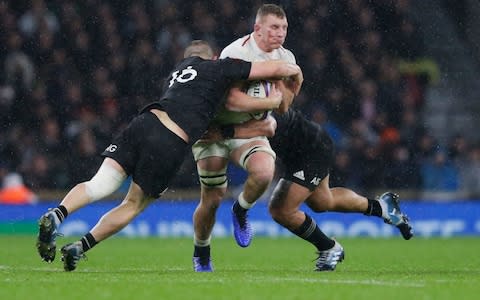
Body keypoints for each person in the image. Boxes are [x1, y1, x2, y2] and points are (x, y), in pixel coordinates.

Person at [35, 40, 303, 271]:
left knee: (99, 183)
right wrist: (290, 77)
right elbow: (276, 69)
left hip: (143, 122)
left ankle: (58, 214)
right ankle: (79, 247)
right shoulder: (219, 67)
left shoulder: (176, 73)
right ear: (212, 56)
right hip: (170, 139)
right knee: (133, 204)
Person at [194, 108, 414, 272]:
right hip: (302, 150)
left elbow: (264, 127)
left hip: (311, 150)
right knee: (323, 201)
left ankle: (329, 248)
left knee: (281, 210)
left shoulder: (251, 100)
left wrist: (222, 132)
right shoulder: (242, 97)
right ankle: (383, 208)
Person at [191, 3, 298, 272]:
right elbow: (230, 101)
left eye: (284, 28)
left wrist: (293, 83)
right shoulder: (236, 52)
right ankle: (201, 250)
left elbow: (283, 106)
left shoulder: (286, 57)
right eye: (274, 27)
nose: (280, 33)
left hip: (250, 130)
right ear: (257, 28)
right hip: (215, 130)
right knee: (212, 199)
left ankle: (241, 209)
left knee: (264, 172)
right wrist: (267, 102)